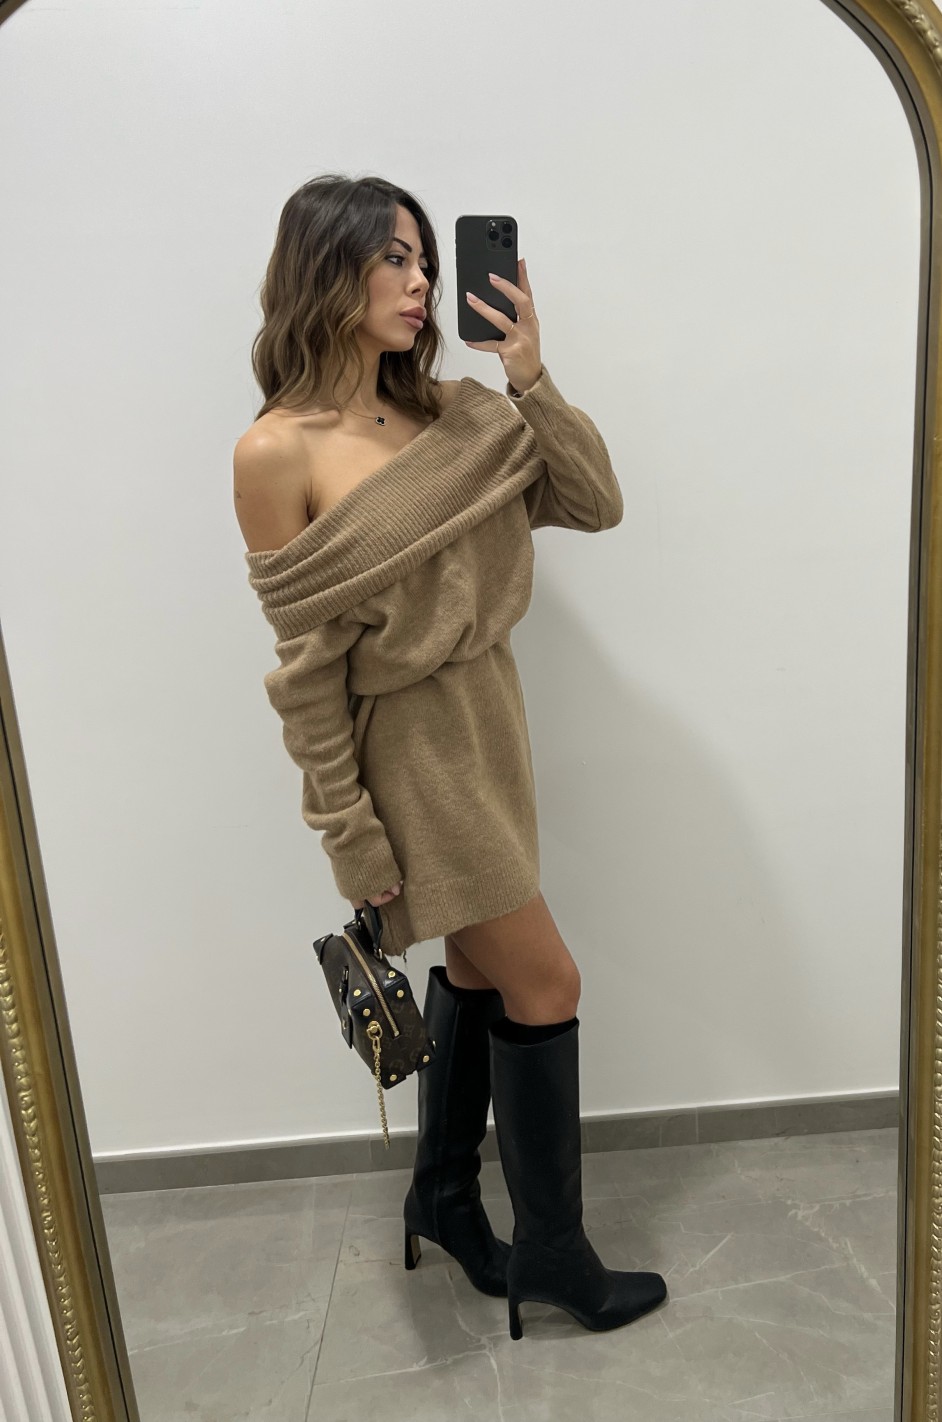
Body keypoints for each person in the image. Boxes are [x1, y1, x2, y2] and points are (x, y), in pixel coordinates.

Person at [233, 173, 667, 1339]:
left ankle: (444, 1199)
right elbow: (307, 676)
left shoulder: (459, 415)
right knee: (549, 982)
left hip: (493, 724)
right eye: (394, 258)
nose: (421, 281)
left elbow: (595, 501)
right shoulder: (275, 452)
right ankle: (555, 1254)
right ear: (325, 269)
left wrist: (530, 376)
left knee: (481, 975)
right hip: (413, 755)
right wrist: (352, 837)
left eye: (425, 258)